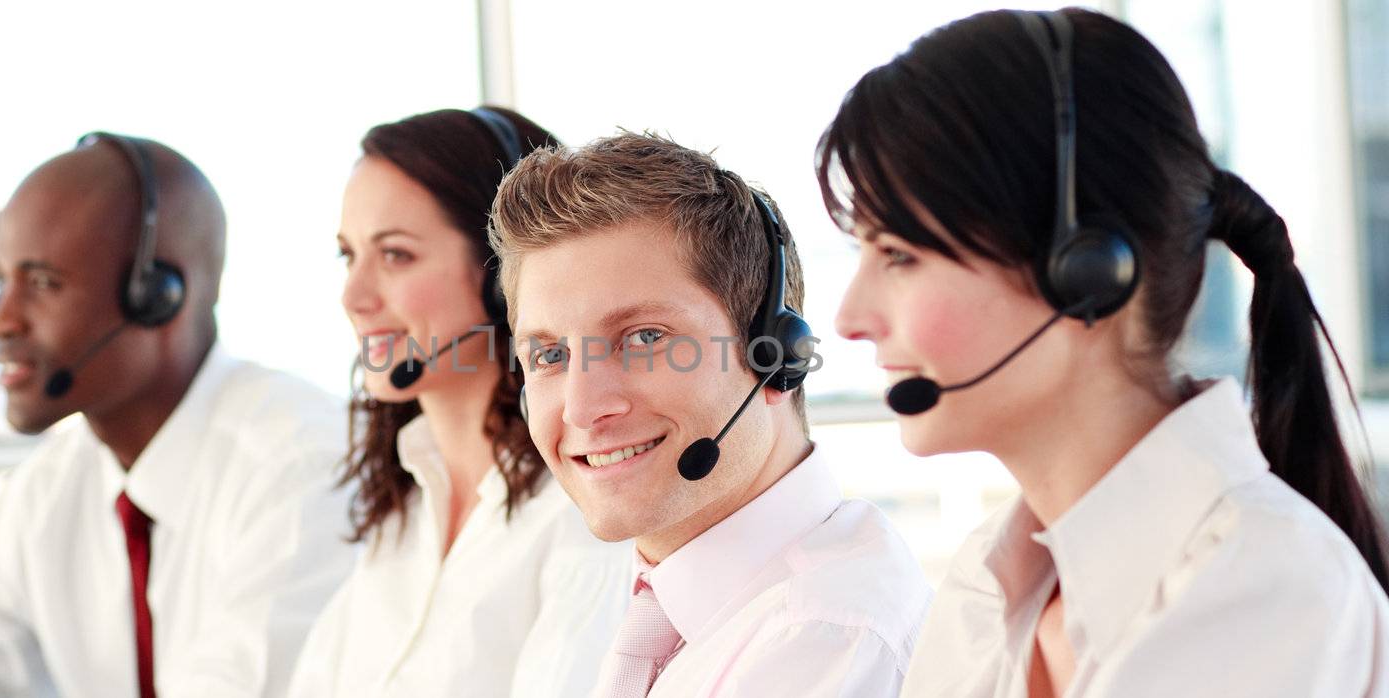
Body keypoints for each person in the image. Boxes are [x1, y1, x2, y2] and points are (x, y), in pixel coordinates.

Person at [818, 8, 1389, 697]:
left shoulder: (1268, 583)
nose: (850, 319)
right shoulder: (985, 584)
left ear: (1086, 270)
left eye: (900, 255)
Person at [0, 133, 355, 697]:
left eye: (42, 284)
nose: (0, 321)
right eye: (1, 282)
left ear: (160, 296)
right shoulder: (49, 490)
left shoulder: (301, 466)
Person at [489, 132, 932, 697]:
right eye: (550, 355)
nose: (581, 407)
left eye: (644, 337)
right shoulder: (657, 604)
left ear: (773, 357)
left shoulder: (822, 640)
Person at [286, 107, 628, 698]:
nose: (354, 295)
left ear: (505, 277)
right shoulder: (402, 509)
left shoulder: (584, 512)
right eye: (349, 255)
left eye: (395, 255)